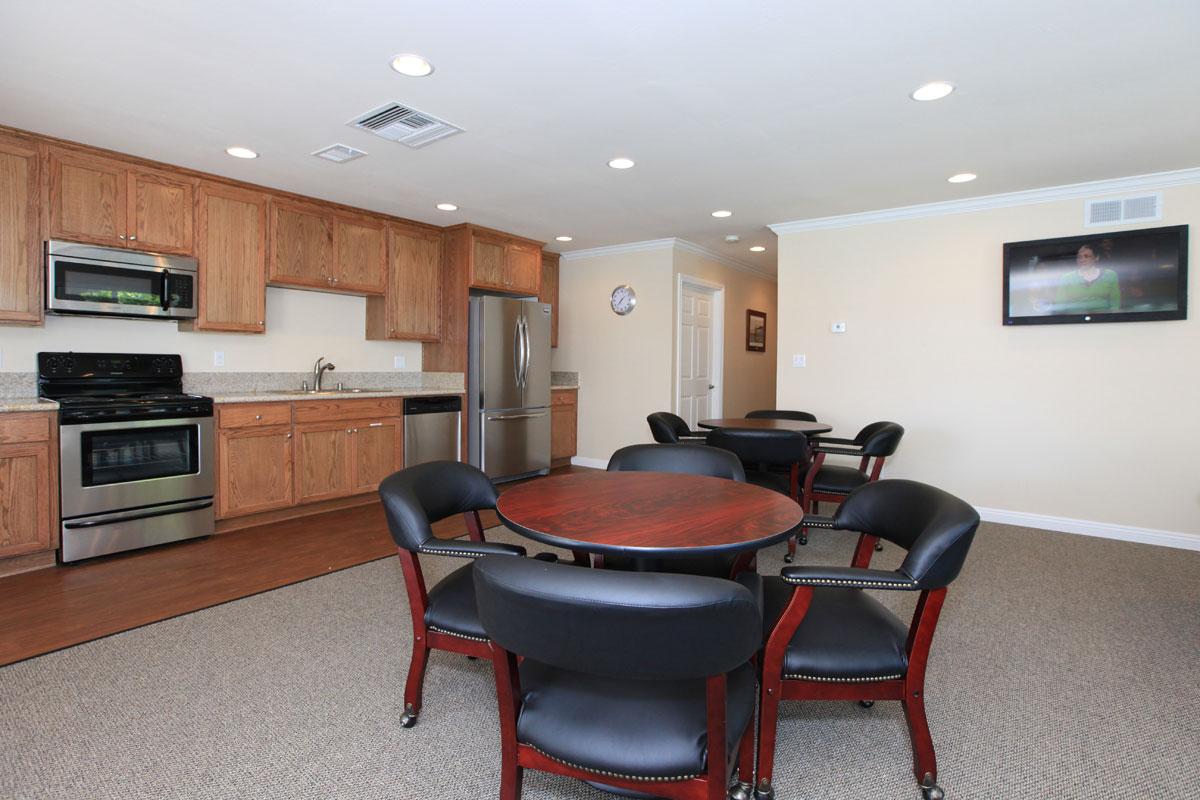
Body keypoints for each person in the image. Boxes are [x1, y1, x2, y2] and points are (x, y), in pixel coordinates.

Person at [1054, 243, 1120, 313]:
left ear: (1096, 257)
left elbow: (1115, 305)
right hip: (1075, 320)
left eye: (1087, 256)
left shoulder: (1110, 275)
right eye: (1079, 257)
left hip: (1103, 319)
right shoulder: (1066, 278)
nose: (1082, 260)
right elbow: (1060, 306)